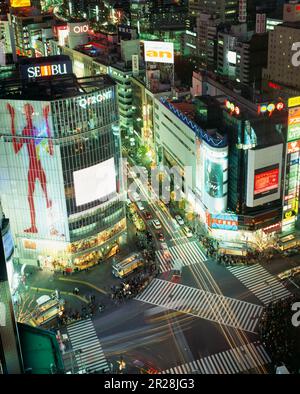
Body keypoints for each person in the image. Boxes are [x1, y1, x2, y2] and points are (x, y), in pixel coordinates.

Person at [7, 103, 54, 234]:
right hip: (32, 168)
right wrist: (12, 118)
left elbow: (50, 150)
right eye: (25, 112)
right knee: (31, 197)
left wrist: (45, 119)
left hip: (37, 166)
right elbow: (16, 148)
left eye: (29, 112)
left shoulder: (35, 131)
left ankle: (51, 227)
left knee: (46, 195)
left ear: (32, 113)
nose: (27, 114)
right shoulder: (27, 131)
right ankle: (35, 226)